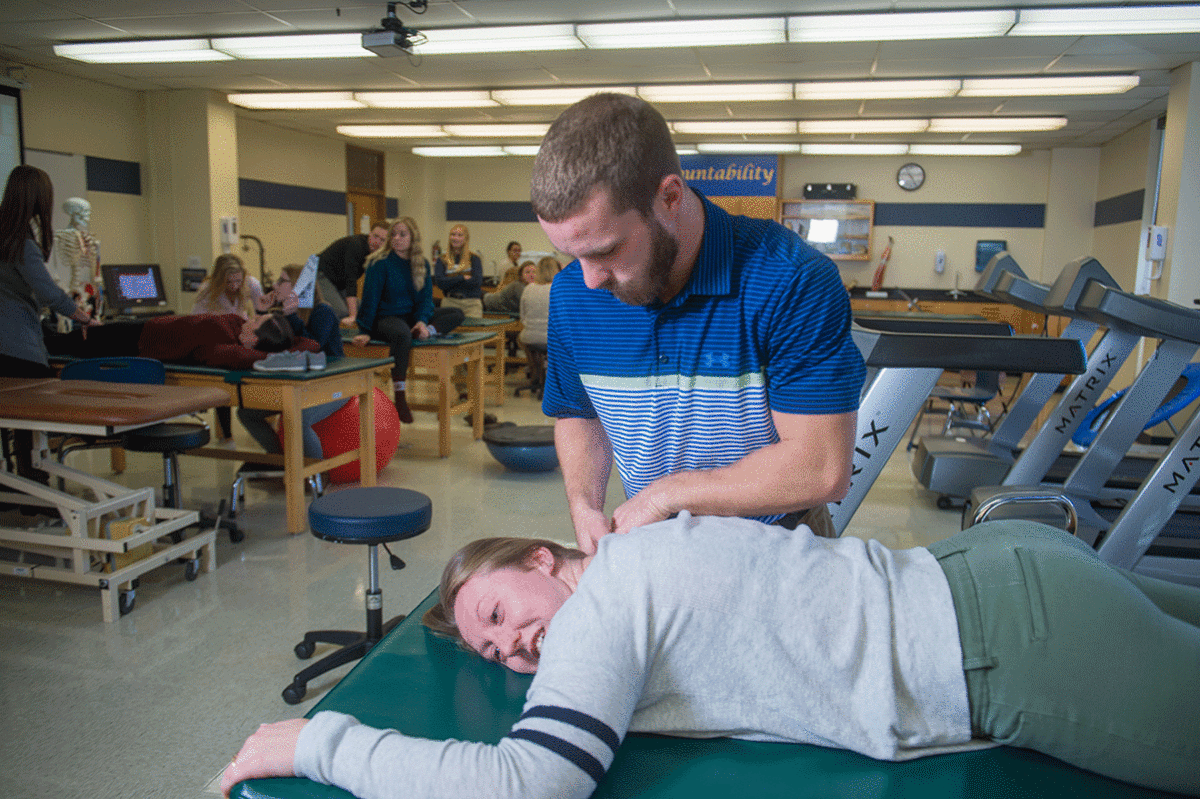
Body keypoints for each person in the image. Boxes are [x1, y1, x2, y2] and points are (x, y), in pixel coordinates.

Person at [221, 516, 1200, 798]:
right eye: (493, 650)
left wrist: (317, 744)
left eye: (497, 612)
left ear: (540, 558)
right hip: (1004, 566)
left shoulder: (605, 599)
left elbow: (527, 783)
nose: (513, 647)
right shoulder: (640, 563)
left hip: (1012, 640)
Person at [530, 93, 866, 553]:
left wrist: (667, 497)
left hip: (782, 548)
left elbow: (821, 467)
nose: (588, 279)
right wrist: (584, 504)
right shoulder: (573, 295)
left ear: (669, 197)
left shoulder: (790, 280)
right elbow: (579, 414)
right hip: (654, 547)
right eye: (571, 254)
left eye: (606, 250)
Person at [0, 165, 99, 482]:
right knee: (30, 426)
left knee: (8, 421)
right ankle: (35, 492)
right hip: (17, 346)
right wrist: (85, 317)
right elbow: (48, 294)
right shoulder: (21, 245)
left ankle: (15, 486)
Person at [355, 217, 464, 424]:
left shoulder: (421, 263)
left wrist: (423, 322)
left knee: (456, 314)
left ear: (412, 237)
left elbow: (425, 300)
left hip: (411, 318)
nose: (397, 238)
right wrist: (365, 330)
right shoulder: (379, 264)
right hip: (386, 318)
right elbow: (370, 299)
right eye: (393, 234)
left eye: (402, 234)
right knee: (402, 334)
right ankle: (400, 396)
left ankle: (426, 332)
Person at [236, 266, 349, 460]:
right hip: (300, 388)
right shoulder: (285, 313)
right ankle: (280, 460)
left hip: (333, 384)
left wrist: (291, 316)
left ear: (297, 286)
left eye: (282, 281)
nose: (275, 285)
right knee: (247, 413)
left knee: (299, 418)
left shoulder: (324, 311)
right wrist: (260, 311)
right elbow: (272, 345)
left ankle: (315, 475)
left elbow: (311, 348)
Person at [47, 310, 314, 371]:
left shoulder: (226, 348)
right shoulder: (235, 327)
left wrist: (274, 357)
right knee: (64, 338)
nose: (251, 317)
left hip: (137, 342)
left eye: (256, 321)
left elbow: (229, 356)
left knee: (65, 343)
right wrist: (284, 353)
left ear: (254, 340)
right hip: (145, 328)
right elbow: (307, 343)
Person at [316, 223, 389, 324]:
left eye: (382, 240)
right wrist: (353, 316)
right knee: (341, 312)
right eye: (375, 236)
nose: (377, 242)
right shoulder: (357, 246)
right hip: (320, 274)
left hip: (338, 282)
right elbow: (351, 281)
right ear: (369, 234)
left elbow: (376, 284)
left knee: (363, 308)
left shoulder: (380, 254)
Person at [47, 196, 100, 320]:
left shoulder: (86, 237)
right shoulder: (59, 237)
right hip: (66, 294)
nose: (86, 217)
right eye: (83, 213)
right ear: (73, 214)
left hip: (83, 295)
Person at [517, 257, 561, 398]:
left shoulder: (529, 288)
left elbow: (522, 316)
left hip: (529, 337)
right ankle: (555, 381)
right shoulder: (558, 289)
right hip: (551, 339)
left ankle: (536, 377)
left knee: (524, 340)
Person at [433, 223, 483, 319]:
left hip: (472, 305)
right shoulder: (442, 260)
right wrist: (462, 277)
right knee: (450, 333)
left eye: (460, 235)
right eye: (453, 234)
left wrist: (451, 280)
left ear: (466, 238)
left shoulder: (474, 258)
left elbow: (477, 282)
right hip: (449, 302)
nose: (455, 238)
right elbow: (440, 283)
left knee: (473, 333)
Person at [190, 253, 264, 318]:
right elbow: (196, 319)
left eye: (238, 281)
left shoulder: (252, 283)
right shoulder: (207, 289)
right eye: (228, 282)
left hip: (241, 326)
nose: (234, 286)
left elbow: (262, 312)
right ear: (219, 279)